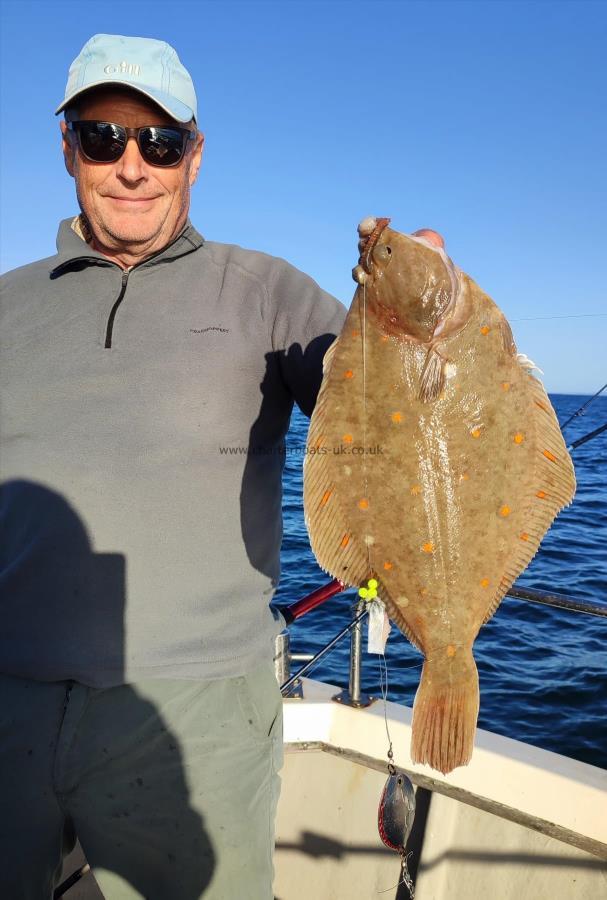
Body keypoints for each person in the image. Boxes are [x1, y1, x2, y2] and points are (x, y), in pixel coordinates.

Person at [0, 33, 347, 900]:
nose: (131, 165)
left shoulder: (269, 291)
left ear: (194, 158)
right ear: (69, 149)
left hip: (198, 713)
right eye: (102, 136)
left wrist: (423, 326)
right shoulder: (7, 303)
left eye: (158, 142)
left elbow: (375, 403)